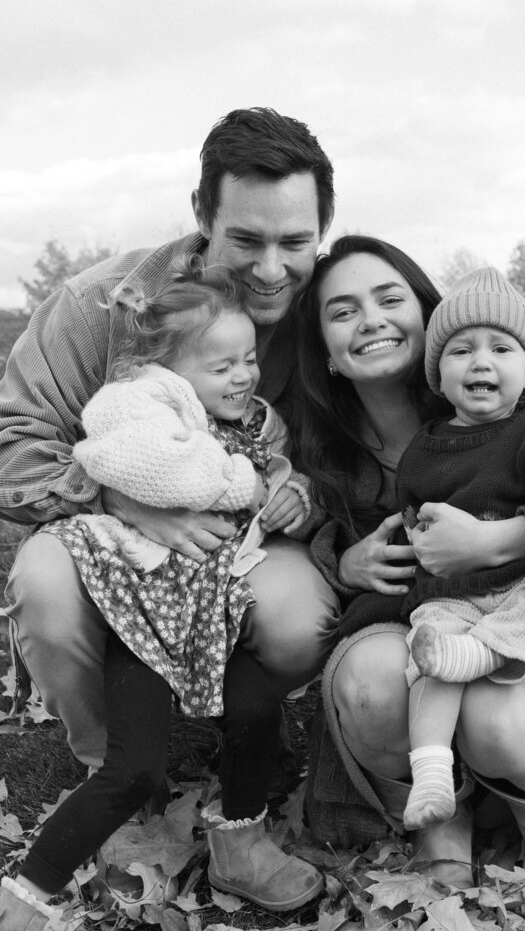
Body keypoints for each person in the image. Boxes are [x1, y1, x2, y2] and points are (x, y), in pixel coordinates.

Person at [294, 234, 525, 893]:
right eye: (343, 311)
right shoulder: (322, 441)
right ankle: (443, 821)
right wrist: (343, 561)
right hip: (429, 613)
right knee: (373, 680)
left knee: (502, 719)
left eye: (390, 298)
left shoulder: (518, 393)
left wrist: (501, 542)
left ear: (425, 311)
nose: (372, 320)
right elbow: (301, 538)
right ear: (325, 348)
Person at [0, 266, 326, 931]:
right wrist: (243, 484)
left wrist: (286, 487)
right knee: (135, 769)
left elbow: (283, 469)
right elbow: (145, 463)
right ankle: (15, 919)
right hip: (143, 613)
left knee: (254, 704)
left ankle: (238, 841)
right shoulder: (136, 401)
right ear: (167, 368)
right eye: (222, 364)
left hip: (211, 607)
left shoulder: (248, 418)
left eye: (248, 359)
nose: (243, 375)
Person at [0, 107, 339, 782]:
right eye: (246, 239)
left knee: (299, 624)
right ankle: (115, 771)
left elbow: (456, 365)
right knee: (43, 587)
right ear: (201, 213)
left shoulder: (344, 310)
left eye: (295, 242)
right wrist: (123, 498)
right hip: (111, 532)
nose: (272, 270)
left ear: (323, 230)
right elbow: (12, 445)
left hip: (251, 543)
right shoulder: (102, 306)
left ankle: (227, 722)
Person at [396, 267, 525, 831]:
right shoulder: (425, 448)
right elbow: (413, 516)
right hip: (457, 593)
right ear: (438, 377)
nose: (481, 361)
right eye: (460, 350)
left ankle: (490, 654)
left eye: (501, 348)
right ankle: (433, 771)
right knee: (430, 651)